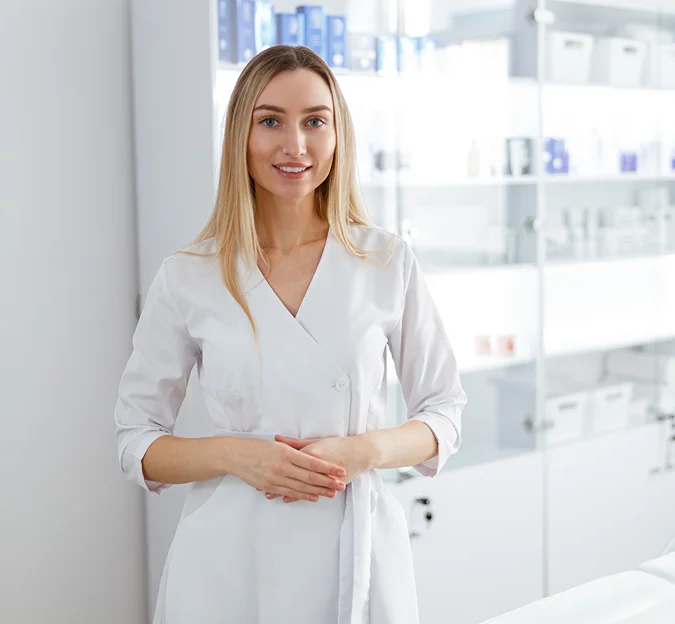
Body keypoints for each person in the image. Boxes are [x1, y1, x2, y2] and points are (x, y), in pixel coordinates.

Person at [114, 45, 466, 624]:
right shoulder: (190, 276)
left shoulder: (385, 261)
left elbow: (445, 411)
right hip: (229, 564)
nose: (295, 145)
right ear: (240, 138)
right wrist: (238, 456)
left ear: (337, 134)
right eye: (271, 120)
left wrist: (364, 451)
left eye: (314, 122)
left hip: (355, 554)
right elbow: (135, 441)